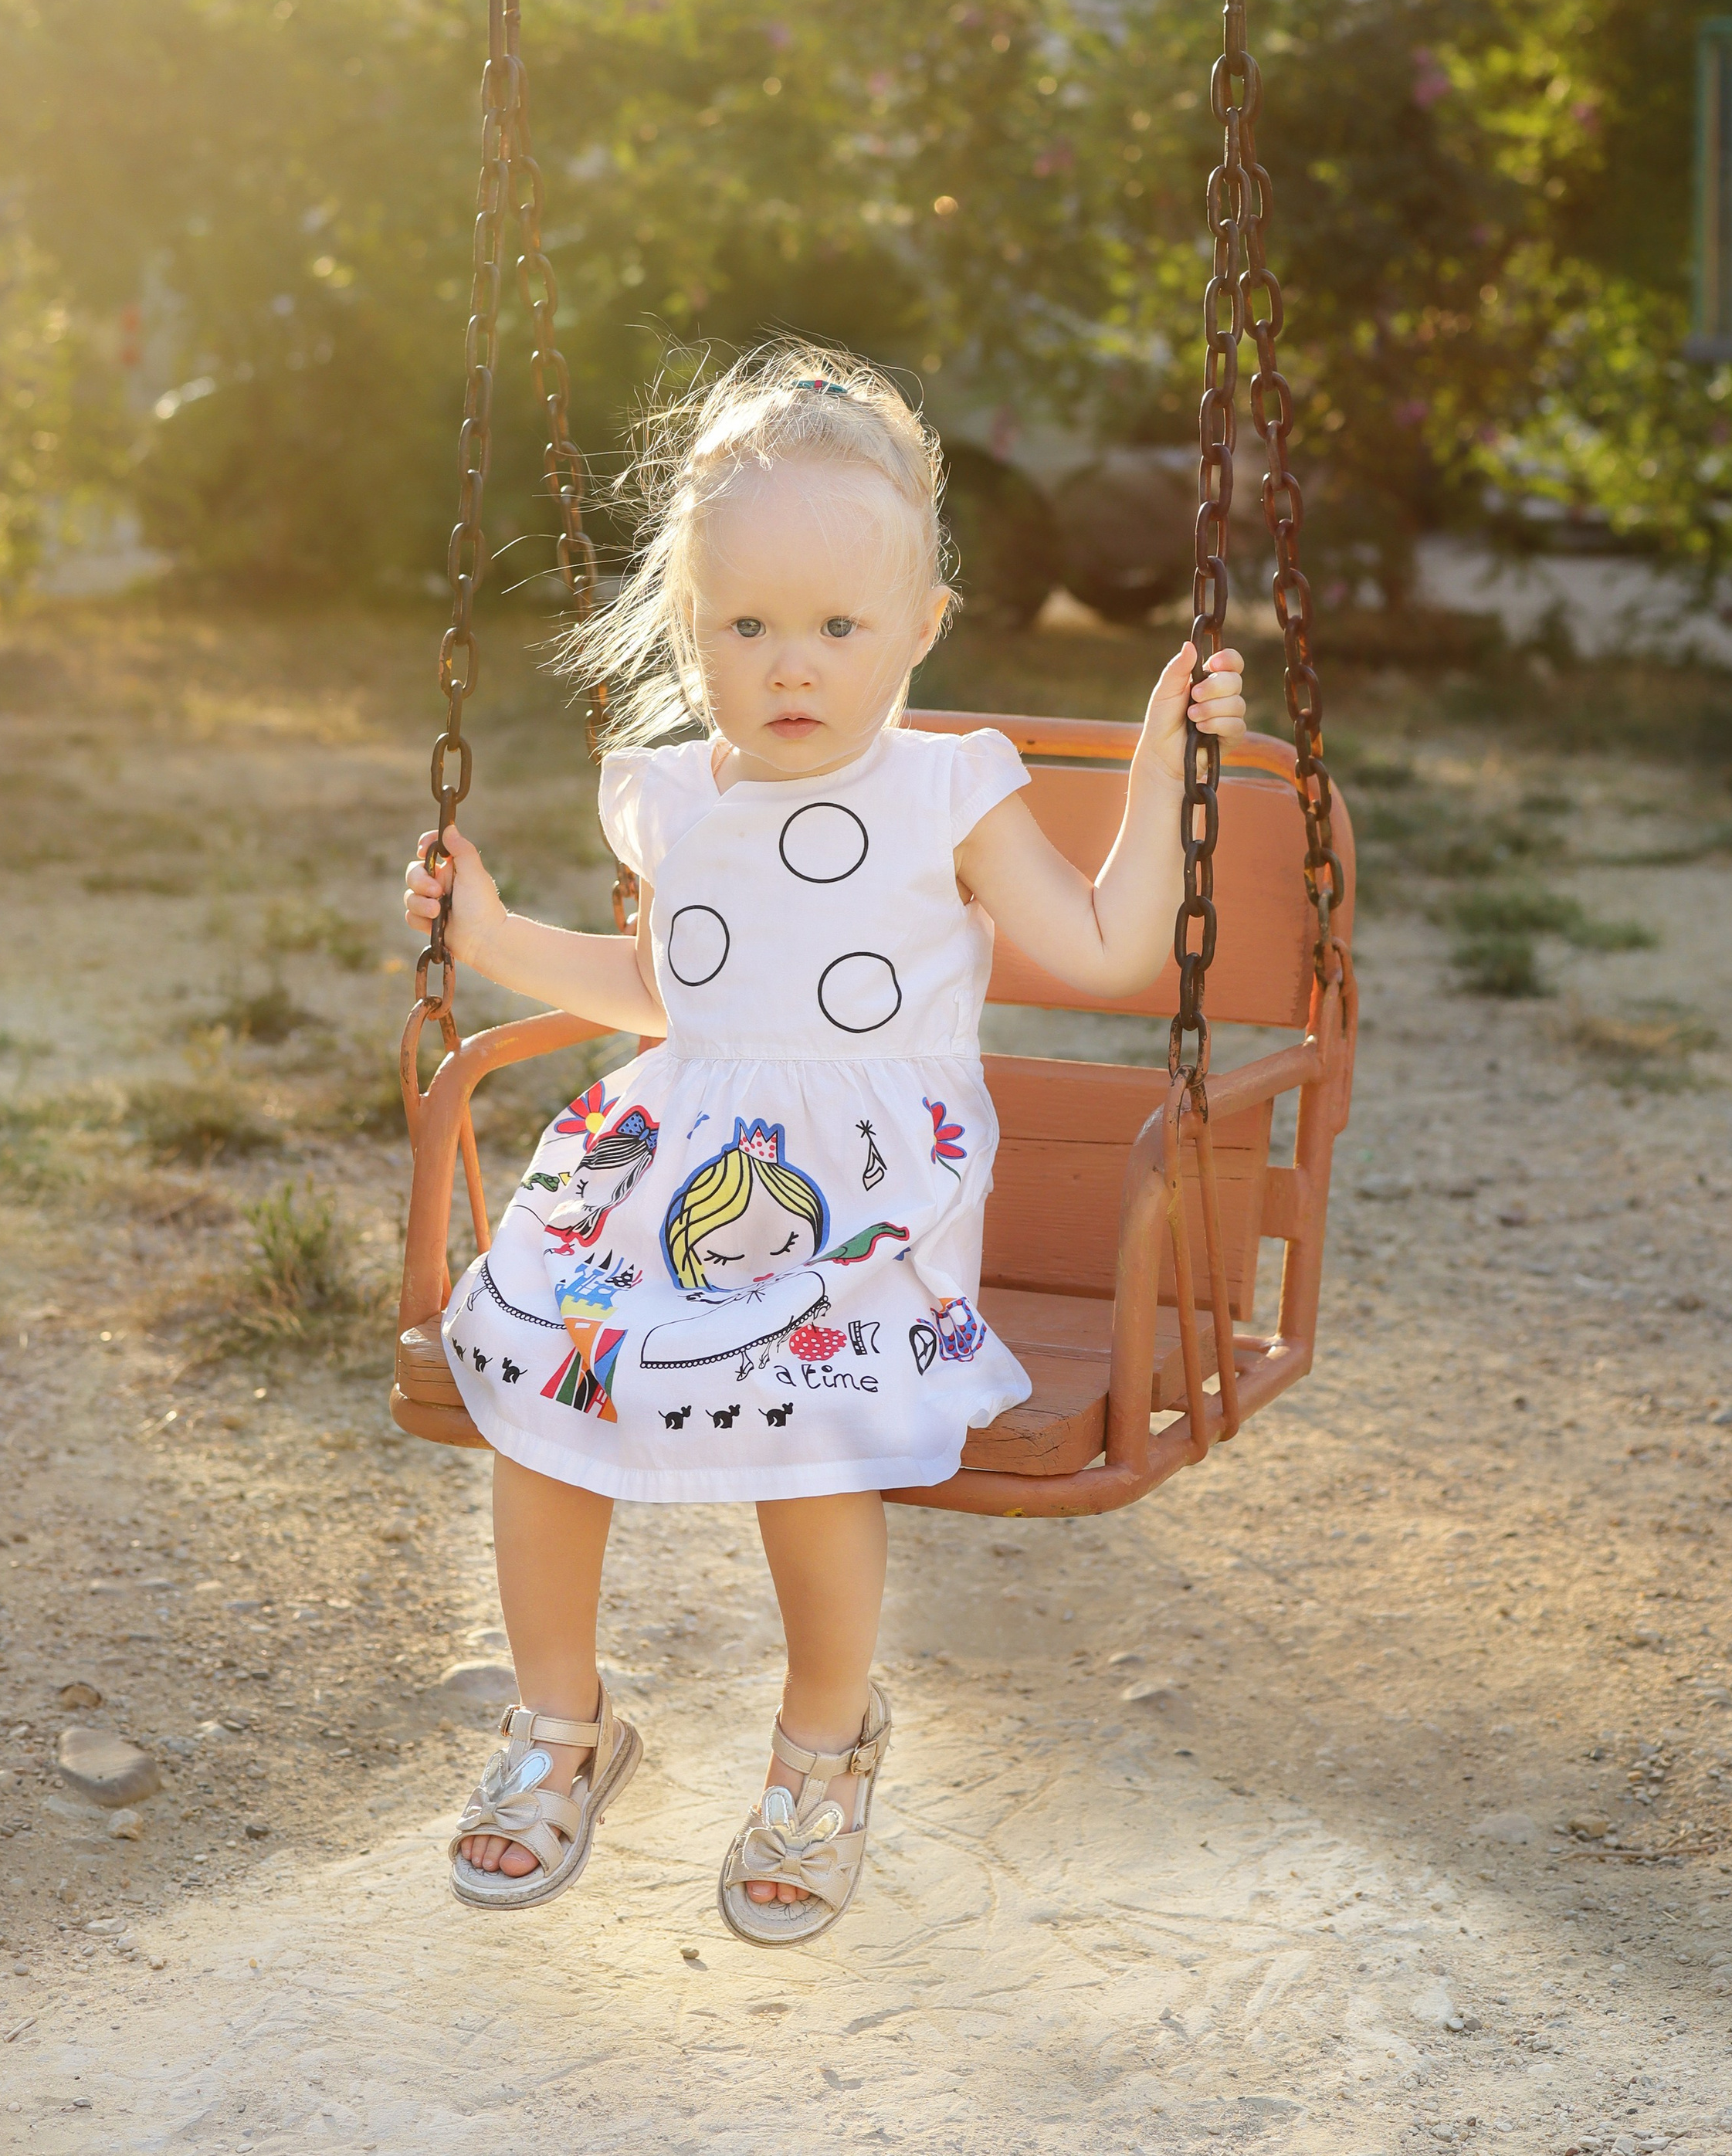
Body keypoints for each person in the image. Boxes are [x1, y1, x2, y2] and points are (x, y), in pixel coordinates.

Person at [402, 341, 1246, 1944]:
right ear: (687, 628)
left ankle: (819, 1744)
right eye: (747, 626)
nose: (792, 665)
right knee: (541, 1379)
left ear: (920, 629)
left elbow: (1103, 946)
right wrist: (499, 932)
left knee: (809, 1403)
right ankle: (559, 1721)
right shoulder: (663, 792)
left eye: (839, 627)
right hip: (666, 1174)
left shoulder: (948, 790)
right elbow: (667, 992)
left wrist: (1166, 753)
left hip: (862, 1197)